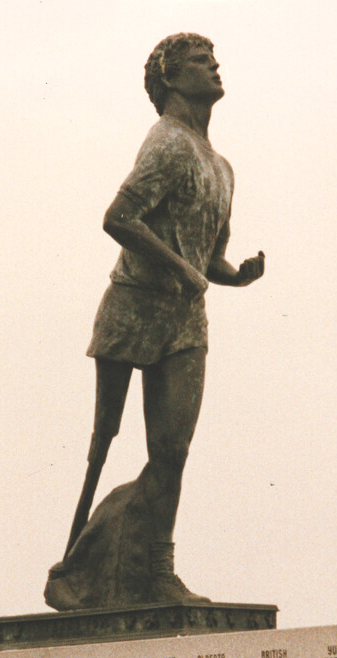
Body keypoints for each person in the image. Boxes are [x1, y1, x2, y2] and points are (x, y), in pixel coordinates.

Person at [46, 32, 264, 610]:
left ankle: (156, 569)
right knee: (104, 443)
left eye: (216, 57)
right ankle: (73, 570)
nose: (215, 65)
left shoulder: (221, 167)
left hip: (186, 322)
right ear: (169, 78)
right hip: (134, 307)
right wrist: (183, 272)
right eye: (200, 60)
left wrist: (233, 275)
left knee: (172, 450)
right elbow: (119, 218)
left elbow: (206, 257)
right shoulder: (166, 143)